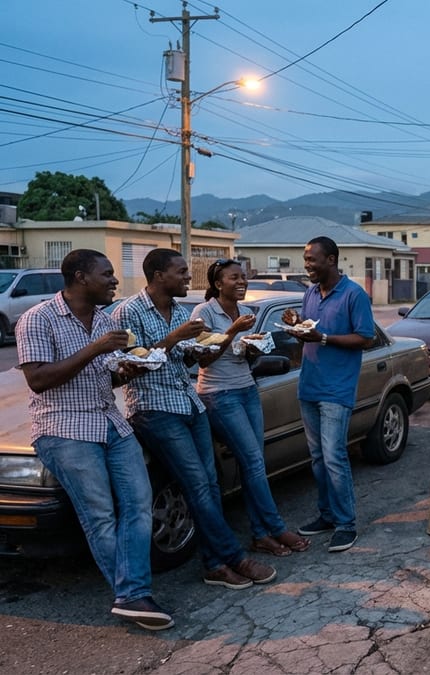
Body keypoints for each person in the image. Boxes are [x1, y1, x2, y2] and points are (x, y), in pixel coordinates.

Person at [15, 249, 172, 631]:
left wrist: (128, 370)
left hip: (111, 424)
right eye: (107, 274)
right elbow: (38, 379)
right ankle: (133, 594)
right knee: (100, 514)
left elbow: (107, 378)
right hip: (64, 429)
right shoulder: (37, 319)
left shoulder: (105, 320)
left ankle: (134, 592)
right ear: (81, 277)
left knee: (138, 504)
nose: (115, 281)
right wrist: (95, 349)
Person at [114, 248, 277, 589]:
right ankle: (233, 557)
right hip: (155, 410)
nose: (189, 277)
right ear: (159, 275)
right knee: (199, 486)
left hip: (190, 404)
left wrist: (202, 347)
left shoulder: (179, 310)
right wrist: (177, 339)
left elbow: (191, 360)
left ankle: (213, 564)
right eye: (182, 271)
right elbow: (129, 364)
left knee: (211, 484)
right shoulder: (130, 311)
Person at [191, 259, 310, 557]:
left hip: (247, 389)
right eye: (235, 278)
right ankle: (275, 527)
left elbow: (243, 357)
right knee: (255, 463)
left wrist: (253, 349)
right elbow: (203, 359)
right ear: (219, 283)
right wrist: (232, 331)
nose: (242, 282)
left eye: (244, 277)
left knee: (253, 464)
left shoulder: (246, 312)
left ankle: (260, 535)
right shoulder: (204, 312)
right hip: (219, 394)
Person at [290, 237, 375, 553]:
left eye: (313, 259)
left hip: (336, 389)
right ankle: (326, 515)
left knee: (334, 456)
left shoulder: (354, 294)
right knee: (317, 458)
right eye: (305, 258)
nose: (308, 264)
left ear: (332, 259)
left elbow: (365, 338)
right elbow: (308, 331)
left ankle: (346, 524)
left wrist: (323, 338)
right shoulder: (310, 293)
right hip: (308, 386)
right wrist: (297, 330)